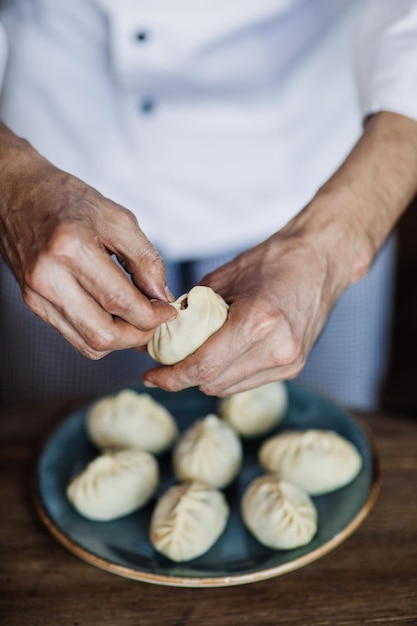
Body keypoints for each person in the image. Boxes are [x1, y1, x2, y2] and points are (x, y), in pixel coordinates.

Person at [0, 0, 416, 409]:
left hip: (319, 187)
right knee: (55, 427)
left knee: (326, 420)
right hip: (51, 194)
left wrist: (333, 249)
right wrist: (11, 182)